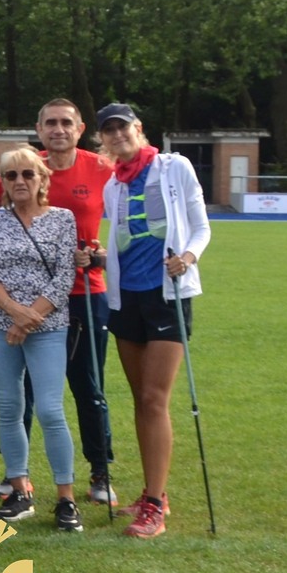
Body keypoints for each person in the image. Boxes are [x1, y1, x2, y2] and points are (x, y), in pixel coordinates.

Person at [0, 99, 118, 507]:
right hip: (20, 303)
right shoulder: (24, 166)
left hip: (85, 293)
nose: (58, 129)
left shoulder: (103, 169)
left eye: (66, 123)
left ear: (80, 129)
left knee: (87, 386)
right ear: (39, 128)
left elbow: (126, 224)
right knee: (20, 392)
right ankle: (16, 473)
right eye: (50, 123)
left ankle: (99, 469)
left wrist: (103, 256)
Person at [97, 102, 211, 540]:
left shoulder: (173, 167)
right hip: (126, 298)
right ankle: (152, 492)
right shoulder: (113, 184)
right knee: (139, 399)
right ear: (103, 139)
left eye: (123, 128)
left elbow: (201, 227)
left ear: (139, 129)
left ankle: (155, 506)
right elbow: (123, 243)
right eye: (109, 131)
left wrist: (188, 257)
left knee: (153, 397)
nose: (117, 135)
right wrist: (98, 258)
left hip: (167, 295)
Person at [0, 146, 81, 528]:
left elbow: (65, 277)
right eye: (11, 175)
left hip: (48, 326)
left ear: (42, 179)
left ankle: (66, 498)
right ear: (3, 183)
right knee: (9, 408)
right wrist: (13, 312)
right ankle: (19, 490)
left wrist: (28, 318)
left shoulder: (62, 219)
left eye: (27, 174)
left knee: (51, 411)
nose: (20, 181)